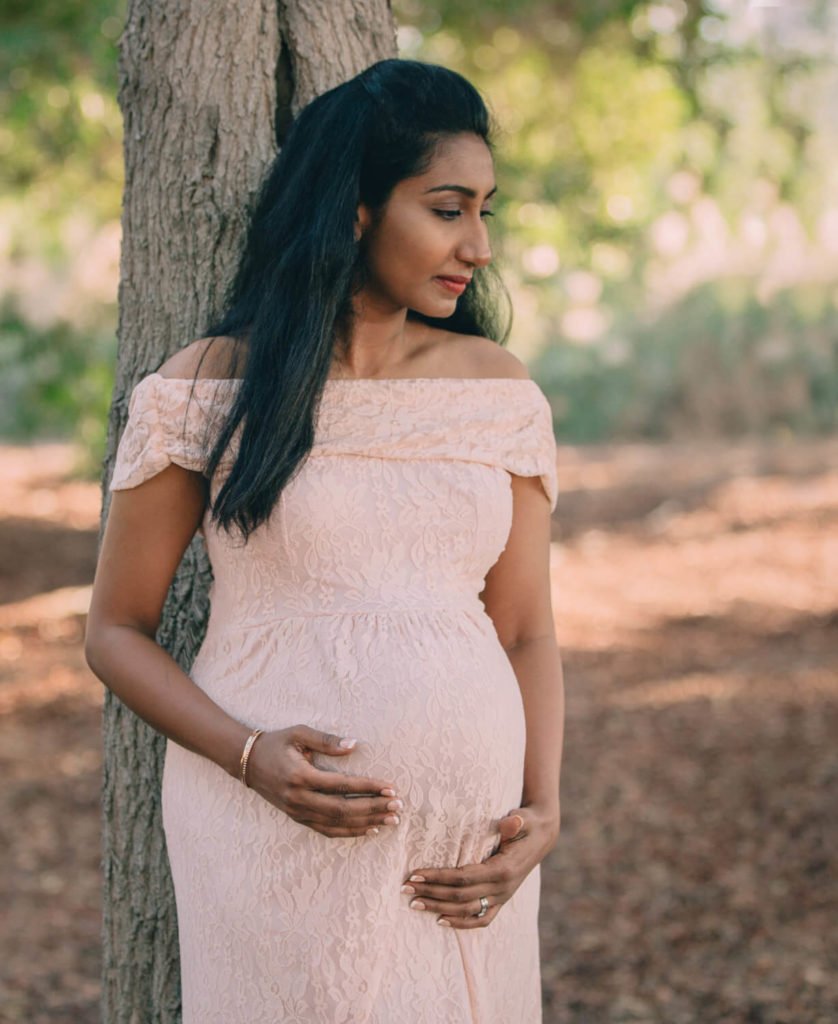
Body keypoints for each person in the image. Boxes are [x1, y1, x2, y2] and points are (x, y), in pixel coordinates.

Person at [85, 57, 565, 1024]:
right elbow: (116, 630)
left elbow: (524, 632)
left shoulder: (497, 390)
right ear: (354, 209)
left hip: (462, 855)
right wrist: (250, 755)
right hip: (265, 830)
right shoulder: (210, 388)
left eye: (487, 212)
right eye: (446, 208)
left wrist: (544, 811)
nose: (477, 245)